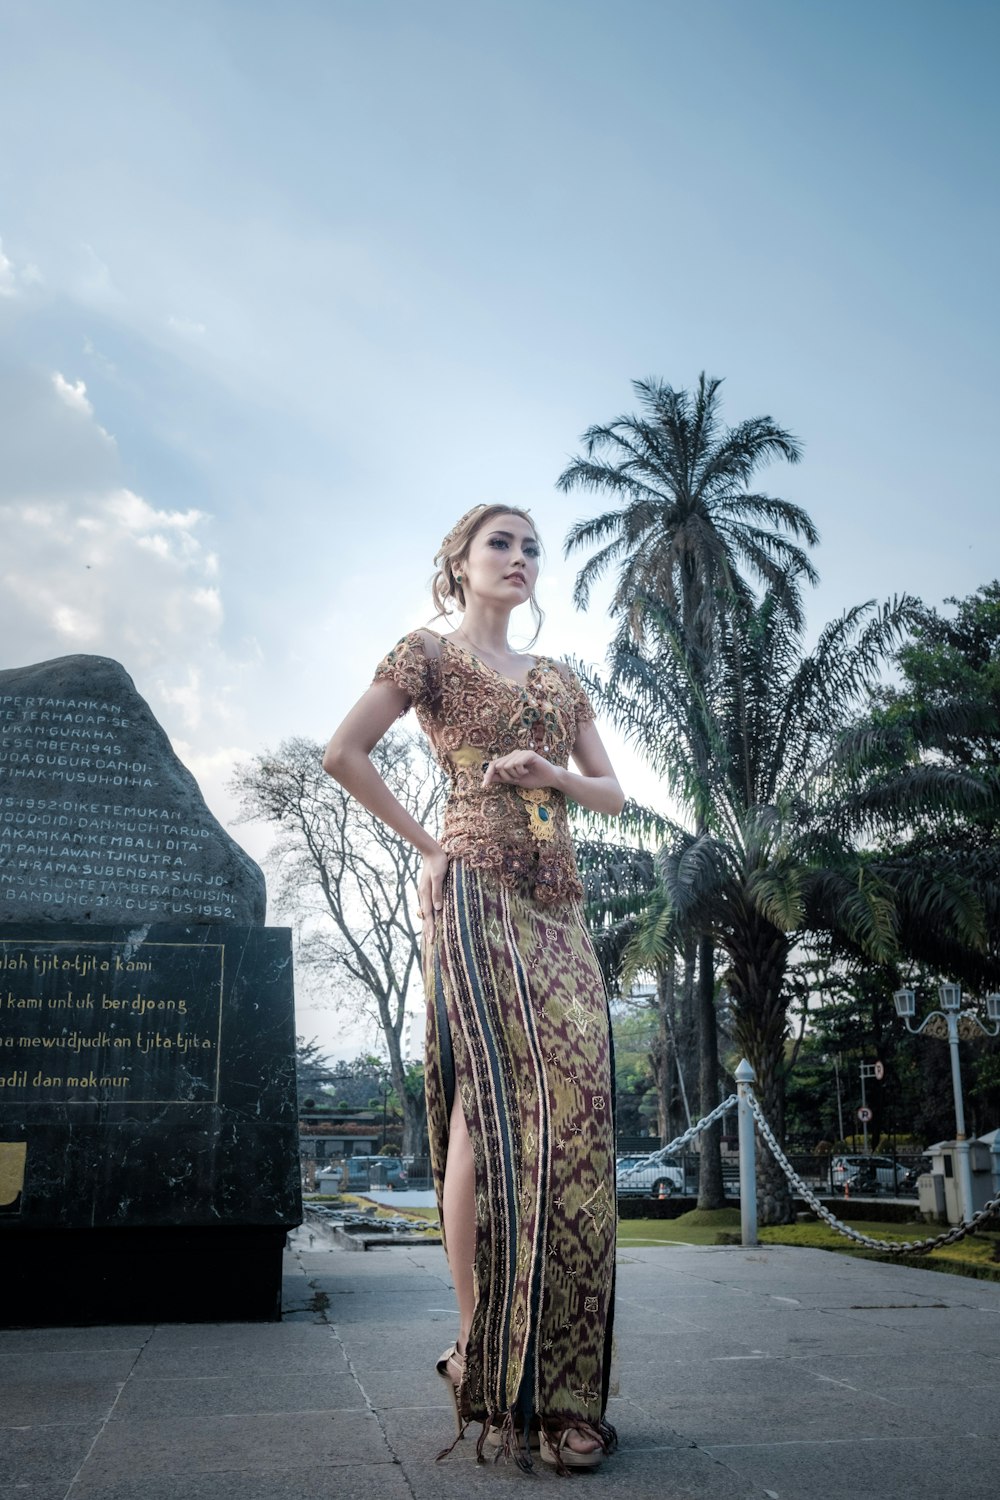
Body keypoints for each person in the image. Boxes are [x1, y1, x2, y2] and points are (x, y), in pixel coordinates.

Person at [322, 504, 624, 1472]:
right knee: (481, 1118)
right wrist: (430, 848)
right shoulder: (426, 657)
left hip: (560, 907)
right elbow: (343, 754)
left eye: (533, 547)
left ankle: (568, 1386)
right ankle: (480, 1354)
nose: (520, 558)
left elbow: (611, 791)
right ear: (457, 561)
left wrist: (552, 774)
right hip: (477, 893)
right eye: (501, 542)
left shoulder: (557, 678)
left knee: (574, 1122)